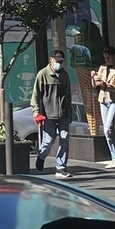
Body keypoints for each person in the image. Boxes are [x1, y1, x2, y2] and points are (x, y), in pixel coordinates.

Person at [31, 48, 72, 180]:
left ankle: (61, 167)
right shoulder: (42, 75)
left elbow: (68, 95)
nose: (59, 63)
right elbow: (36, 95)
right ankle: (41, 156)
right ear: (51, 60)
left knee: (64, 140)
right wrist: (36, 111)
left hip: (63, 114)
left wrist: (69, 113)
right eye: (57, 60)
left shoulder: (65, 76)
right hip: (48, 115)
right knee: (48, 141)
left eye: (61, 61)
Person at [92, 46, 115, 169]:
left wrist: (106, 85)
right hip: (103, 100)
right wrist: (93, 78)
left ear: (114, 56)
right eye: (105, 58)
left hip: (114, 101)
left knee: (107, 128)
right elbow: (96, 84)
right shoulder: (102, 67)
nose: (107, 60)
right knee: (107, 130)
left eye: (109, 57)